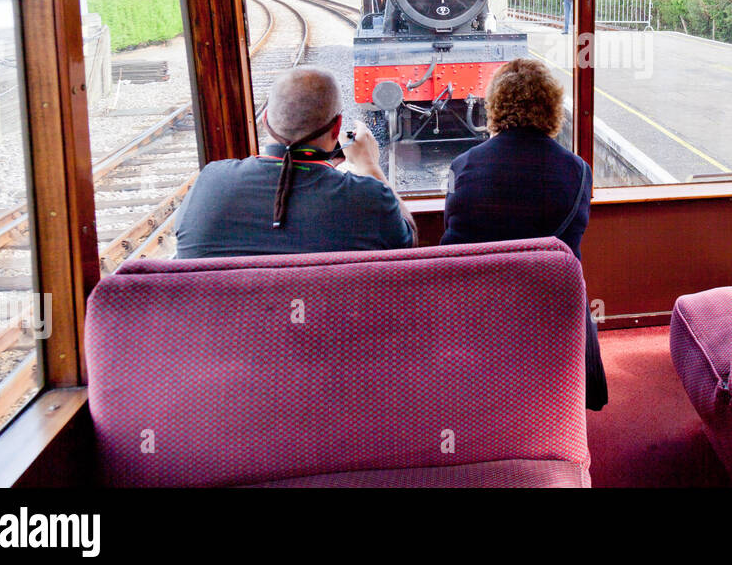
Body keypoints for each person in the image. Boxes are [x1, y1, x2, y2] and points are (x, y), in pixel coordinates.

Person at [441, 58, 608, 410]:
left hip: (479, 314)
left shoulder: (464, 166)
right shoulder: (578, 171)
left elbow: (452, 241)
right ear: (550, 107)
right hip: (552, 313)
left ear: (496, 106)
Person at [175, 66, 415, 258]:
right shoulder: (368, 198)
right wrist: (368, 166)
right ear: (337, 128)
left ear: (265, 119)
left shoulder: (211, 181)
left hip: (229, 320)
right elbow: (409, 241)